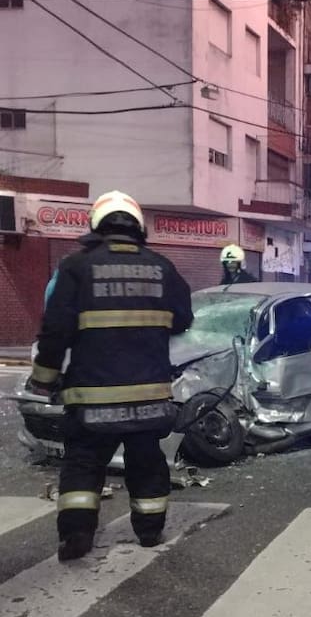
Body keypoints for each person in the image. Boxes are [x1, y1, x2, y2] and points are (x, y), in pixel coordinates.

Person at [28, 190, 193, 561]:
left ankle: (77, 536)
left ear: (96, 224)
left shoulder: (76, 267)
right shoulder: (162, 267)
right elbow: (183, 319)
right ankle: (149, 532)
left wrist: (43, 379)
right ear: (138, 225)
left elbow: (54, 332)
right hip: (149, 400)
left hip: (92, 401)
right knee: (147, 464)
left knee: (83, 466)